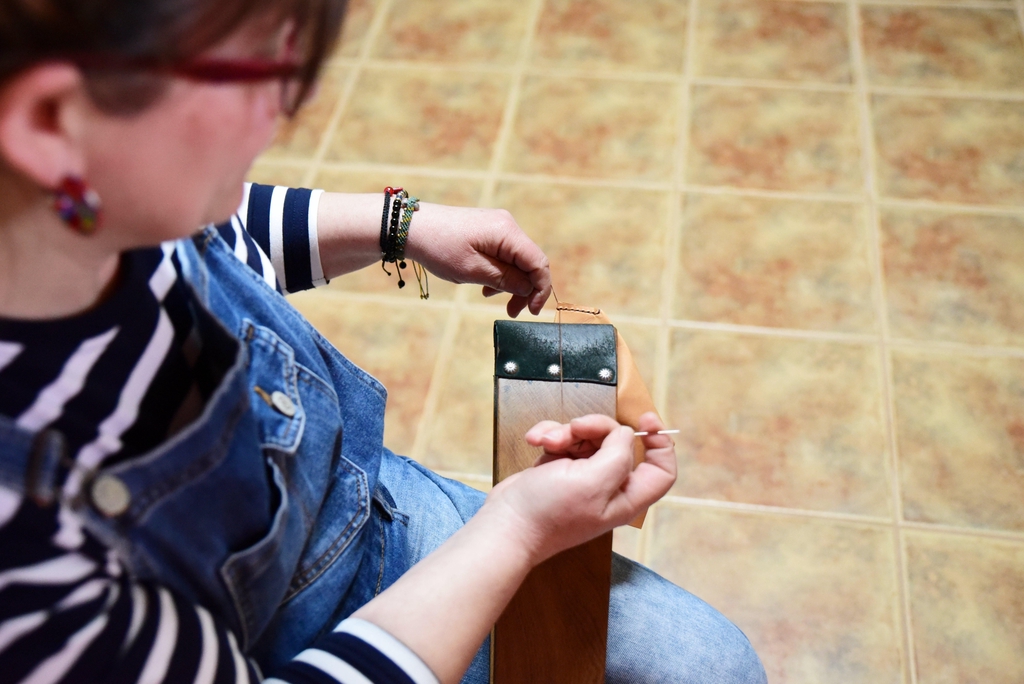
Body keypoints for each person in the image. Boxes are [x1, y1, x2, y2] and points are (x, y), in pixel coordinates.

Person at [0, 1, 768, 682]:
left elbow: (217, 227)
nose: (281, 116)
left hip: (366, 518)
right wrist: (519, 530)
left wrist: (401, 226)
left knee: (712, 665)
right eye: (257, 76)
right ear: (50, 122)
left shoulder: (85, 208)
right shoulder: (24, 557)